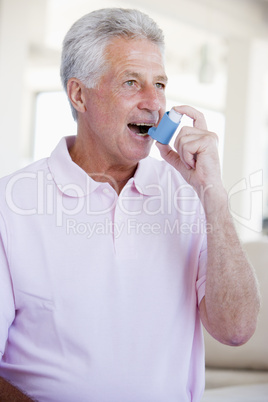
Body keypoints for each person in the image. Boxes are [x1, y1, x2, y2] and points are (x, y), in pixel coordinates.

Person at [0, 8, 260, 402]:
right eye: (131, 83)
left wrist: (214, 195)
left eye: (159, 83)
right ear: (79, 95)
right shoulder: (10, 204)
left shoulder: (189, 195)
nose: (154, 103)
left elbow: (237, 329)